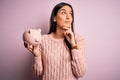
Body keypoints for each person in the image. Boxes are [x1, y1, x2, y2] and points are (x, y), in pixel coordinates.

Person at [24, 2, 87, 80]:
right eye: (63, 12)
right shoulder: (42, 40)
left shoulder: (78, 39)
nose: (68, 17)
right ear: (54, 18)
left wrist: (73, 45)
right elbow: (38, 73)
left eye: (71, 14)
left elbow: (80, 73)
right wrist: (37, 55)